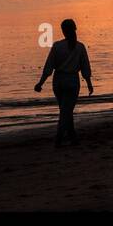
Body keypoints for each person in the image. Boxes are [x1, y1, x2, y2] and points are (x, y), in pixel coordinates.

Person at [35, 18, 93, 146]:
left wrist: (41, 83)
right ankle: (59, 138)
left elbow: (49, 67)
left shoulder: (57, 46)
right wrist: (89, 83)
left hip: (58, 81)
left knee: (65, 110)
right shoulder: (80, 47)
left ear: (63, 31)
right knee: (66, 110)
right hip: (72, 81)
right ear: (75, 29)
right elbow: (85, 67)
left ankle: (72, 137)